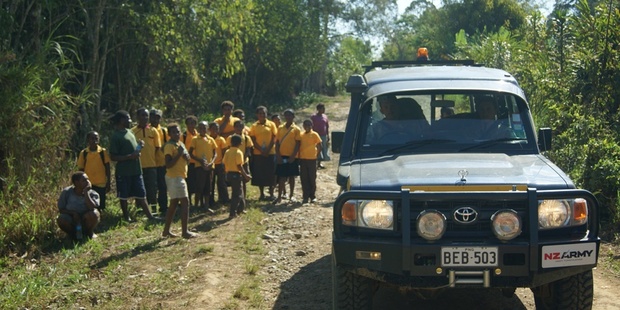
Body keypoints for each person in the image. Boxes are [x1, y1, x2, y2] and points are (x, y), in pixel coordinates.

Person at [109, 110, 159, 222]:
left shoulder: (129, 132)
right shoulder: (116, 136)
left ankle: (150, 216)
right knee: (124, 196)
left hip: (136, 169)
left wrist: (139, 147)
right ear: (121, 120)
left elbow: (133, 150)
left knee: (141, 193)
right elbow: (113, 157)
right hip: (124, 172)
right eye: (128, 118)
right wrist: (129, 157)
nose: (130, 121)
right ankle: (126, 217)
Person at [161, 123, 197, 239]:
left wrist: (186, 158)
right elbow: (168, 164)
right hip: (174, 177)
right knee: (185, 202)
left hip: (180, 176)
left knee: (174, 203)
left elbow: (186, 159)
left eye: (178, 132)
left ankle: (166, 231)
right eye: (174, 132)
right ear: (169, 134)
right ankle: (185, 232)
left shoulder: (180, 144)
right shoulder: (169, 146)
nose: (177, 134)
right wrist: (179, 154)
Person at [132, 107, 161, 214]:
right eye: (142, 115)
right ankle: (140, 211)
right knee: (139, 190)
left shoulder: (153, 131)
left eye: (146, 116)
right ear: (137, 117)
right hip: (137, 166)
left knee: (152, 189)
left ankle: (153, 210)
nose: (144, 118)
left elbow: (157, 147)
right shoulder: (132, 132)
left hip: (152, 165)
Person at [57, 171, 101, 240]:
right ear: (76, 183)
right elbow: (61, 209)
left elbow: (92, 207)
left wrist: (86, 192)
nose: (87, 182)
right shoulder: (67, 192)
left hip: (86, 219)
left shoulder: (92, 193)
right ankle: (72, 235)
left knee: (94, 214)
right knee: (61, 219)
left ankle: (89, 233)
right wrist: (73, 213)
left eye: (88, 179)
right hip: (72, 219)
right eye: (84, 180)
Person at [76, 131, 111, 210]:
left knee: (101, 204)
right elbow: (81, 169)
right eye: (92, 138)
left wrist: (108, 182)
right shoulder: (84, 153)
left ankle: (100, 219)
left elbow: (107, 167)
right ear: (88, 140)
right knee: (89, 203)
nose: (94, 140)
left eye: (96, 138)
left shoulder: (102, 152)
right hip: (88, 183)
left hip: (101, 183)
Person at [250, 106, 277, 201]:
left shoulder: (271, 124)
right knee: (260, 173)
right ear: (257, 115)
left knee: (271, 173)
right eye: (260, 113)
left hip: (270, 152)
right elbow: (252, 139)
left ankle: (271, 193)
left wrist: (268, 149)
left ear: (266, 114)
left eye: (264, 113)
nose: (262, 115)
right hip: (258, 153)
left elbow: (274, 137)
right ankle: (261, 194)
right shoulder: (254, 126)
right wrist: (261, 150)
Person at [274, 109, 301, 204]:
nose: (288, 117)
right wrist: (278, 155)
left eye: (290, 115)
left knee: (291, 177)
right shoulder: (280, 128)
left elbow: (298, 143)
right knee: (281, 177)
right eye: (286, 115)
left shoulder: (296, 129)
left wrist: (293, 156)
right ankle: (279, 196)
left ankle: (291, 195)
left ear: (293, 117)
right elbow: (277, 142)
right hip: (282, 155)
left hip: (292, 156)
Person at [189, 121, 217, 211]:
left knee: (208, 187)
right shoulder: (195, 139)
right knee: (199, 186)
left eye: (204, 128)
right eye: (200, 128)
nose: (202, 130)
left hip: (209, 167)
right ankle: (196, 206)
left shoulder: (211, 139)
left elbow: (215, 153)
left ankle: (206, 206)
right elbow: (190, 153)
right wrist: (200, 161)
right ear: (198, 129)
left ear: (207, 129)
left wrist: (211, 162)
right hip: (199, 166)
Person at [223, 134, 251, 219]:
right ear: (240, 143)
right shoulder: (239, 152)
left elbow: (224, 163)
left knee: (239, 191)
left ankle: (241, 209)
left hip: (229, 174)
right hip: (236, 174)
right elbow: (239, 166)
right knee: (236, 194)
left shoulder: (227, 151)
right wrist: (246, 175)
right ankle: (232, 213)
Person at [226, 120, 253, 199]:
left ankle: (243, 198)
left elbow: (248, 149)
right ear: (234, 128)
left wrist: (244, 158)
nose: (239, 128)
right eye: (237, 126)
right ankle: (235, 198)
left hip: (244, 162)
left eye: (240, 126)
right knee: (235, 181)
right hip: (233, 163)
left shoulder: (246, 138)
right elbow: (228, 149)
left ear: (243, 127)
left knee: (244, 181)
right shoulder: (230, 138)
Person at [149, 109, 168, 215]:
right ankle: (152, 209)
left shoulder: (164, 131)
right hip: (149, 163)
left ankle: (164, 207)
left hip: (162, 163)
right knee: (151, 188)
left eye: (157, 117)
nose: (155, 119)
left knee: (162, 186)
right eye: (153, 117)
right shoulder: (147, 129)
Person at [299, 119, 322, 204]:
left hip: (312, 159)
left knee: (312, 178)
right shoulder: (301, 135)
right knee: (304, 178)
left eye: (309, 125)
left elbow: (320, 146)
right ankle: (305, 196)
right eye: (305, 125)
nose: (307, 127)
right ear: (303, 126)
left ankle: (312, 196)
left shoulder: (315, 134)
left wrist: (316, 155)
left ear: (312, 125)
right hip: (303, 159)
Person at [209, 122, 229, 204]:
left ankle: (224, 199)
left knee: (221, 182)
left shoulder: (221, 139)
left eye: (217, 128)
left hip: (220, 163)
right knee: (211, 183)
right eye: (213, 129)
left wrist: (224, 163)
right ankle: (211, 201)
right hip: (211, 164)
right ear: (209, 130)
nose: (215, 130)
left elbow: (224, 152)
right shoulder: (208, 139)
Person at [183, 115, 199, 205]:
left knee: (197, 183)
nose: (191, 125)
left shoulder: (199, 135)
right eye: (189, 123)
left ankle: (197, 202)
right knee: (188, 183)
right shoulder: (184, 136)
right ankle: (188, 202)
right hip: (188, 163)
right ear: (186, 124)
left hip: (198, 162)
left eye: (193, 123)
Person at [310, 103, 330, 169]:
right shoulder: (313, 117)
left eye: (324, 108)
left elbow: (327, 126)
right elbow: (310, 126)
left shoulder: (325, 117)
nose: (324, 110)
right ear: (318, 109)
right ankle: (314, 162)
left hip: (323, 135)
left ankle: (319, 163)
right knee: (316, 149)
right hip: (315, 135)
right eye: (322, 108)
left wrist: (328, 135)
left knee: (323, 148)